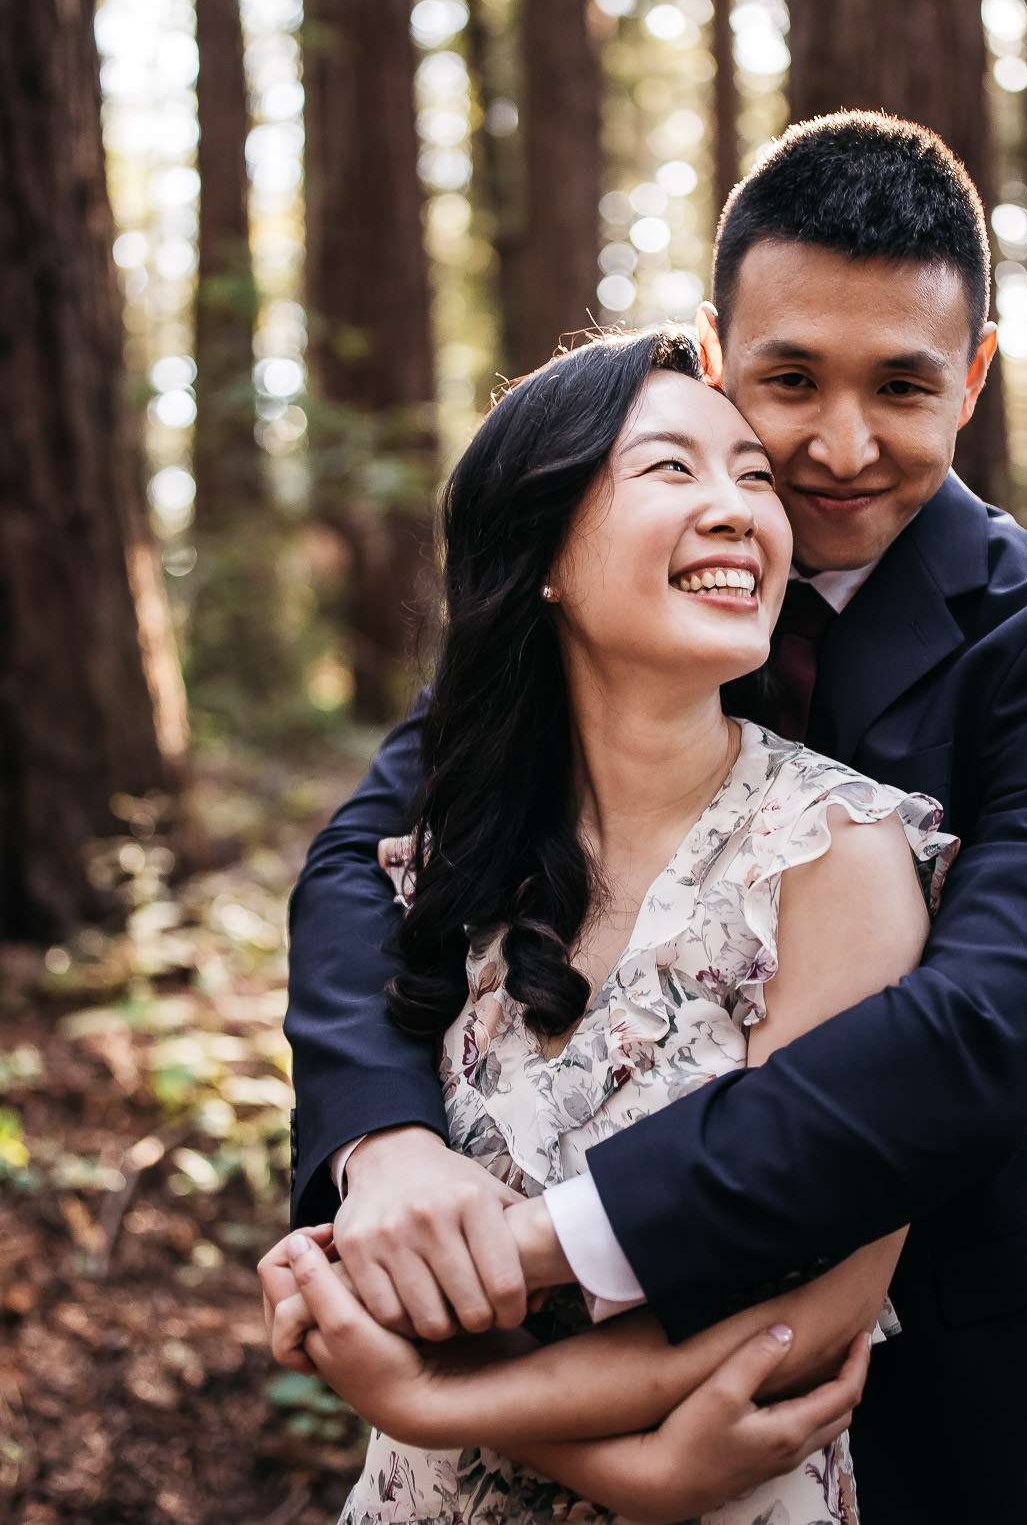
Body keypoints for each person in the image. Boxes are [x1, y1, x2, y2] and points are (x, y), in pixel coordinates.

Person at [279, 112, 1027, 1523]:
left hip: (956, 1356)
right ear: (716, 358)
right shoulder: (623, 581)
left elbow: (983, 1026)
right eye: (788, 378)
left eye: (902, 384)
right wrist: (380, 1144)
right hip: (560, 1373)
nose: (839, 443)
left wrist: (535, 1245)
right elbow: (367, 854)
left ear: (976, 378)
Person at [263, 326, 960, 1522]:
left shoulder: (835, 852)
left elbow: (818, 1316)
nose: (741, 507)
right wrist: (341, 1260)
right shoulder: (451, 857)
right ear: (538, 550)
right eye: (671, 469)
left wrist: (430, 1399)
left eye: (753, 474)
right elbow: (367, 1265)